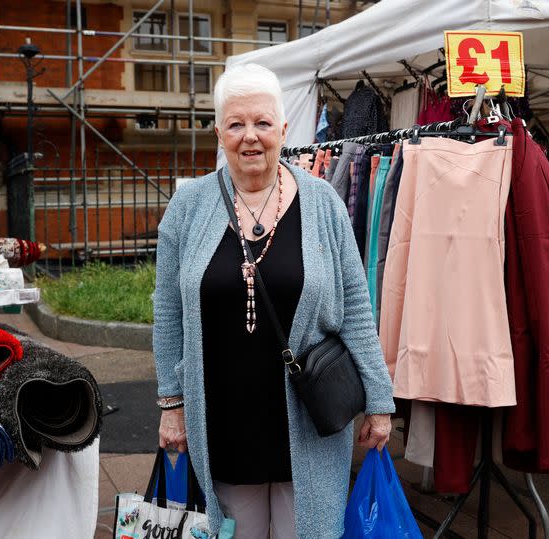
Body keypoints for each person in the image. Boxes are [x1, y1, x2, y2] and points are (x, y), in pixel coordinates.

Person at [153, 63, 395, 539]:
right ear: (219, 132)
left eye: (262, 123)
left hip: (309, 421)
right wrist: (171, 404)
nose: (250, 137)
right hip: (222, 421)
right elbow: (167, 311)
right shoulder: (189, 206)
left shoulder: (323, 202)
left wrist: (379, 399)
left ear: (284, 130)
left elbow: (355, 308)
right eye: (236, 124)